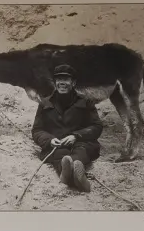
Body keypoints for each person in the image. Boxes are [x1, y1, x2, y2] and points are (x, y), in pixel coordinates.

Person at [31, 64, 102, 193]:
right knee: (61, 155)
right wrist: (50, 140)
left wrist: (76, 136)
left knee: (80, 152)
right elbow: (37, 130)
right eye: (59, 79)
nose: (62, 83)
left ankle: (72, 173)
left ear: (73, 83)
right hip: (57, 145)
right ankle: (75, 178)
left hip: (81, 142)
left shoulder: (86, 102)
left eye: (66, 79)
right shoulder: (45, 103)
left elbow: (97, 126)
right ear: (55, 82)